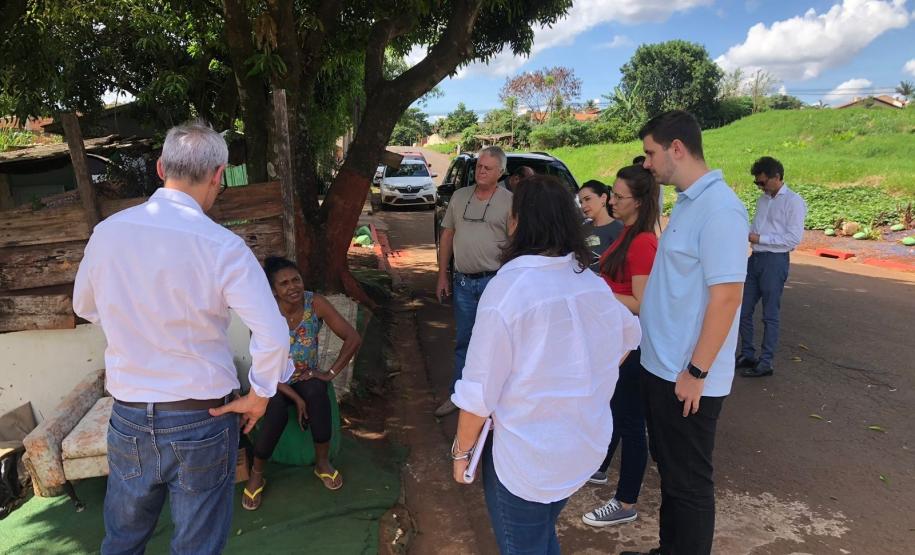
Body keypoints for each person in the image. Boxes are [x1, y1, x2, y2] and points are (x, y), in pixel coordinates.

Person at [73, 120, 290, 554]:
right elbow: (272, 331)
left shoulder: (108, 233)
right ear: (219, 175)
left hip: (129, 416)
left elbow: (84, 306)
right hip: (202, 420)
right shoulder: (223, 245)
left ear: (159, 168)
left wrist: (135, 323)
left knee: (122, 539)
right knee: (196, 546)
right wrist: (262, 393)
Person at [450, 174, 641, 554]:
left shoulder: (507, 289)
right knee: (540, 536)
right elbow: (628, 336)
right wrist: (586, 379)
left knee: (525, 544)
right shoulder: (589, 280)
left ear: (517, 222)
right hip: (580, 445)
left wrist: (461, 452)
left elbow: (479, 392)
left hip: (526, 457)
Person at [624, 111, 749, 555]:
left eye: (651, 153)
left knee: (690, 483)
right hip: (663, 368)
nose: (648, 164)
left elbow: (727, 298)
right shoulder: (691, 202)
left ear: (677, 148)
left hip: (687, 379)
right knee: (672, 475)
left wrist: (696, 371)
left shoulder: (721, 211)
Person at [242, 257, 361, 508]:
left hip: (306, 376)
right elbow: (263, 365)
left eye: (296, 279)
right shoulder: (265, 312)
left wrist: (329, 373)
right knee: (274, 410)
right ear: (273, 290)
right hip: (274, 380)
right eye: (283, 283)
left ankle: (322, 463)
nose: (292, 287)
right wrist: (296, 399)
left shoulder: (314, 303)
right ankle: (257, 475)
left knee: (317, 393)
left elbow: (352, 337)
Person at [582, 165, 659, 528]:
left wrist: (598, 292)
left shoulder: (642, 241)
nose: (611, 200)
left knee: (631, 422)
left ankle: (626, 501)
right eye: (611, 194)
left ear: (639, 202)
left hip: (633, 345)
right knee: (614, 409)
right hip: (618, 341)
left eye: (618, 196)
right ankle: (599, 469)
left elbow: (642, 302)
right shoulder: (626, 234)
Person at [434, 146, 513, 417]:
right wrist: (442, 274)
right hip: (463, 283)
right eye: (479, 166)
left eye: (487, 168)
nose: (481, 171)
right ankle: (458, 396)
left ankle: (494, 401)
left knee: (495, 344)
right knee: (464, 341)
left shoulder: (509, 202)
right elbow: (447, 237)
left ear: (500, 172)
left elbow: (516, 244)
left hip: (495, 284)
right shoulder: (459, 196)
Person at [738, 157, 806, 378]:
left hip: (775, 261)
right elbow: (755, 228)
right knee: (742, 309)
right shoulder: (763, 200)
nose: (761, 187)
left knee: (770, 314)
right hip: (755, 258)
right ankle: (748, 353)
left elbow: (793, 239)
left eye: (763, 182)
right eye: (757, 183)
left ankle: (766, 362)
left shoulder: (793, 201)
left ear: (777, 177)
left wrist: (759, 238)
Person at [579, 179, 624, 273]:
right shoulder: (581, 230)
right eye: (581, 202)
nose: (583, 206)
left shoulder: (620, 229)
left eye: (587, 199)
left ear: (603, 198)